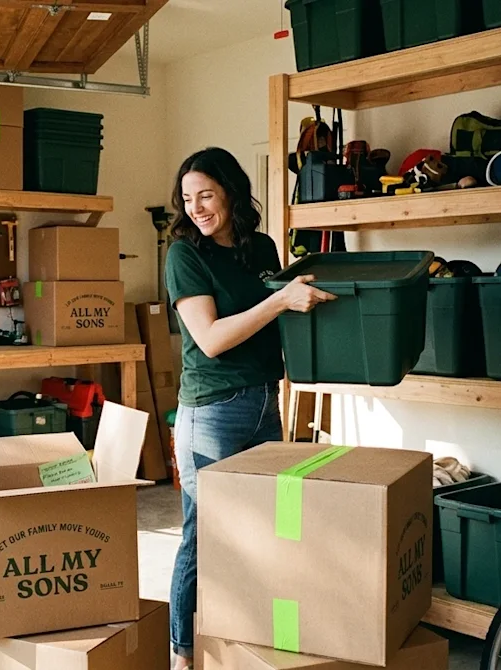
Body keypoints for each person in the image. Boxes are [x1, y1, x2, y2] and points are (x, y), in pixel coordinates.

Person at [164, 147, 336, 669]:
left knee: (263, 529)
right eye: (188, 198)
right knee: (205, 534)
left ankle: (244, 644)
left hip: (265, 400)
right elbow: (211, 338)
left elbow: (279, 315)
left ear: (231, 192)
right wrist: (280, 299)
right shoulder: (184, 254)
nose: (197, 208)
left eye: (207, 195)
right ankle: (184, 655)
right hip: (211, 412)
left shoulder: (259, 246)